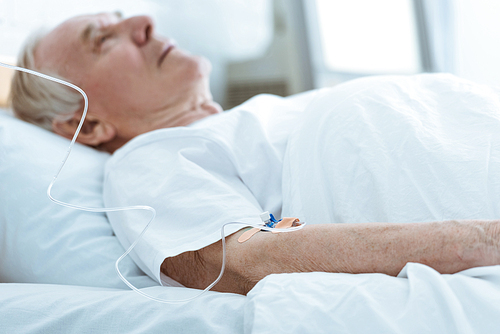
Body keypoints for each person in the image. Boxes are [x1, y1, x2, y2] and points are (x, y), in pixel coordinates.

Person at [10, 12, 500, 295]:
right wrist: (484, 239)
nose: (142, 21)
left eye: (121, 18)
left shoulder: (253, 123)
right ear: (87, 124)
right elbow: (247, 257)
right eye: (103, 41)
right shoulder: (147, 159)